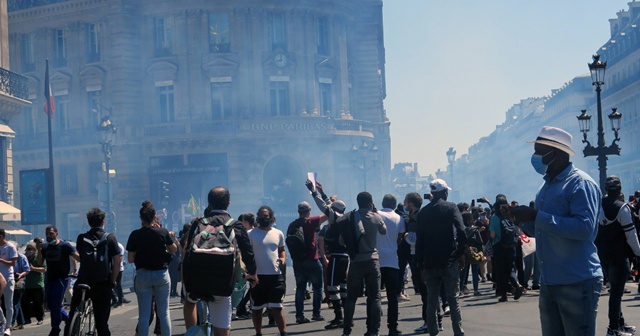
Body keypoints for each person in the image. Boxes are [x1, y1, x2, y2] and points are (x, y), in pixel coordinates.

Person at [510, 126, 603, 336]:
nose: (535, 157)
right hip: (550, 281)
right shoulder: (546, 187)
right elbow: (545, 229)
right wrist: (520, 219)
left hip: (576, 280)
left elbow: (584, 229)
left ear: (557, 154)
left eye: (540, 151)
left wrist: (535, 216)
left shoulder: (580, 184)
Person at [182, 187, 257, 336]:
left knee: (190, 302)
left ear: (209, 203)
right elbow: (248, 253)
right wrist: (253, 274)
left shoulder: (198, 223)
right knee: (222, 329)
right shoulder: (235, 225)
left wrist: (185, 280)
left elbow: (186, 252)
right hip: (222, 283)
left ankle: (192, 332)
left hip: (197, 282)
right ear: (228, 203)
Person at [327, 191, 386, 336]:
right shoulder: (376, 218)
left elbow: (341, 241)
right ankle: (373, 330)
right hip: (372, 261)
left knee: (351, 298)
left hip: (356, 262)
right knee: (375, 297)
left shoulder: (349, 218)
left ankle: (347, 330)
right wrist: (375, 212)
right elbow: (384, 231)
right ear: (370, 203)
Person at [415, 179, 466, 336]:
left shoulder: (423, 212)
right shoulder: (451, 207)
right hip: (449, 261)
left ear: (432, 193)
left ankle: (433, 331)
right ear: (445, 192)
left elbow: (419, 241)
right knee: (453, 299)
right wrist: (459, 253)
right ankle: (458, 331)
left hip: (429, 263)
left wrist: (420, 265)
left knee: (432, 300)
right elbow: (462, 231)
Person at [595, 176, 640, 336]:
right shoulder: (622, 208)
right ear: (620, 190)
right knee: (616, 293)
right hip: (620, 256)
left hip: (604, 255)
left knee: (615, 290)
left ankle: (620, 323)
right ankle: (613, 327)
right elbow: (631, 235)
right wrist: (638, 253)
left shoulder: (599, 206)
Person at [65, 207, 121, 336]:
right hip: (102, 284)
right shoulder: (110, 238)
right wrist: (112, 281)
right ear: (103, 222)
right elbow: (117, 263)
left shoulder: (81, 238)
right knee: (102, 323)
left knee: (73, 314)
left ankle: (71, 328)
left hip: (83, 282)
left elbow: (82, 258)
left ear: (88, 222)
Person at [126, 201, 177, 336]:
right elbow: (174, 249)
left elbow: (130, 259)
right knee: (164, 312)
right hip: (161, 274)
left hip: (143, 274)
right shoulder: (162, 232)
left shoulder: (135, 235)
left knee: (143, 314)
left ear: (141, 218)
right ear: (154, 217)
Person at [307, 180, 348, 330]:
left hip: (337, 256)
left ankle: (339, 317)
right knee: (343, 286)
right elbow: (328, 205)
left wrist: (313, 192)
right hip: (344, 256)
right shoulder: (343, 217)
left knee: (332, 286)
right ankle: (346, 317)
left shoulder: (335, 217)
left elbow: (324, 207)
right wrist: (322, 192)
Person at [248, 205, 287, 336]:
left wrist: (282, 259)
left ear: (271, 217)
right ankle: (258, 333)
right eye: (261, 216)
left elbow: (282, 250)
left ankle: (283, 333)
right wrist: (248, 274)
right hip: (257, 277)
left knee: (277, 307)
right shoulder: (251, 234)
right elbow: (245, 255)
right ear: (257, 217)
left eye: (266, 216)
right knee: (257, 309)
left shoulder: (278, 233)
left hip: (275, 276)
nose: (263, 218)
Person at [288, 196, 327, 324]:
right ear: (308, 210)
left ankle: (299, 316)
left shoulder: (292, 225)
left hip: (298, 262)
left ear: (299, 211)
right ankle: (316, 313)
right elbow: (328, 213)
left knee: (300, 289)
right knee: (317, 287)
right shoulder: (311, 221)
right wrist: (325, 198)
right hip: (312, 260)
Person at [37, 226, 79, 336]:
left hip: (62, 279)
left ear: (56, 233)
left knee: (56, 304)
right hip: (50, 278)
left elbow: (77, 256)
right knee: (50, 305)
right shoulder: (45, 247)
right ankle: (69, 319)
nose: (49, 236)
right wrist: (39, 249)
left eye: (51, 233)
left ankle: (55, 329)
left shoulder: (64, 245)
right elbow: (40, 261)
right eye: (47, 234)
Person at [376, 194, 406, 336]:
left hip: (376, 260)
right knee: (392, 298)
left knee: (374, 296)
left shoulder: (376, 215)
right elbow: (400, 239)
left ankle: (372, 328)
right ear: (394, 205)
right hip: (392, 261)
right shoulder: (399, 218)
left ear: (382, 203)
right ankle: (392, 328)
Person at [489, 196, 524, 302]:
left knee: (501, 272)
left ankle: (504, 295)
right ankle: (517, 284)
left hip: (499, 247)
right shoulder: (510, 216)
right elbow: (517, 231)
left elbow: (492, 235)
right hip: (511, 247)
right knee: (510, 269)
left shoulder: (495, 218)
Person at [23, 240, 45, 326]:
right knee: (25, 302)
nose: (27, 250)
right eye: (27, 249)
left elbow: (44, 269)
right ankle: (27, 318)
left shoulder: (38, 257)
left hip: (37, 284)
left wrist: (33, 268)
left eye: (30, 249)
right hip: (27, 284)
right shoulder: (25, 258)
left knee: (38, 303)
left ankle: (40, 318)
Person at [0, 229, 17, 336]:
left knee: (8, 304)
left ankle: (8, 327)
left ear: (1, 236)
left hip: (8, 278)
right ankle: (3, 320)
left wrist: (1, 260)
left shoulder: (10, 247)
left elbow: (13, 263)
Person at [10, 241, 29, 330]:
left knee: (15, 303)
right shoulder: (7, 256)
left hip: (19, 280)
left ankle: (12, 323)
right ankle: (21, 321)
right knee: (16, 303)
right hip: (10, 279)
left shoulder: (22, 257)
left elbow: (27, 270)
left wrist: (21, 275)